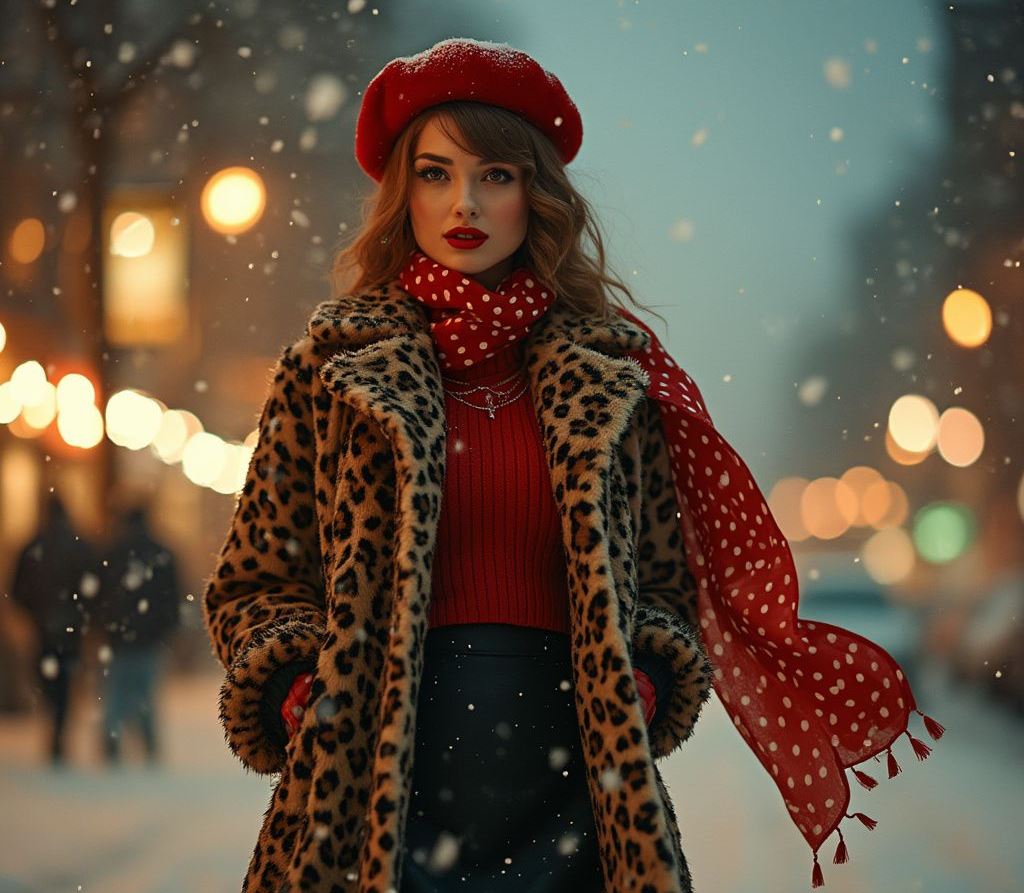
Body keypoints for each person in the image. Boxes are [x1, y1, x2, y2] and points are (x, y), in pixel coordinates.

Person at [202, 39, 943, 893]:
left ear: (537, 194)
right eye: (436, 174)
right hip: (370, 792)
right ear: (402, 194)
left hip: (574, 792)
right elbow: (254, 580)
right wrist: (299, 686)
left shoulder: (611, 378)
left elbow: (664, 585)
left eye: (497, 175)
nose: (465, 203)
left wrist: (649, 675)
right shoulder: (331, 370)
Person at [9, 492, 101, 766]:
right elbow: (94, 588)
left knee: (49, 682)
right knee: (65, 683)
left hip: (43, 629)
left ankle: (55, 727)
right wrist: (80, 614)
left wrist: (38, 613)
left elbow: (17, 590)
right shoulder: (79, 546)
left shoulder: (34, 546)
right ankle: (60, 728)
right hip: (71, 630)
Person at [96, 502, 182, 765]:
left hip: (118, 637)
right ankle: (148, 744)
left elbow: (100, 595)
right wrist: (166, 628)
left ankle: (112, 737)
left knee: (117, 692)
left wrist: (106, 624)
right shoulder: (161, 553)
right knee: (145, 693)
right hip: (149, 638)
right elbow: (172, 597)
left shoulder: (113, 552)